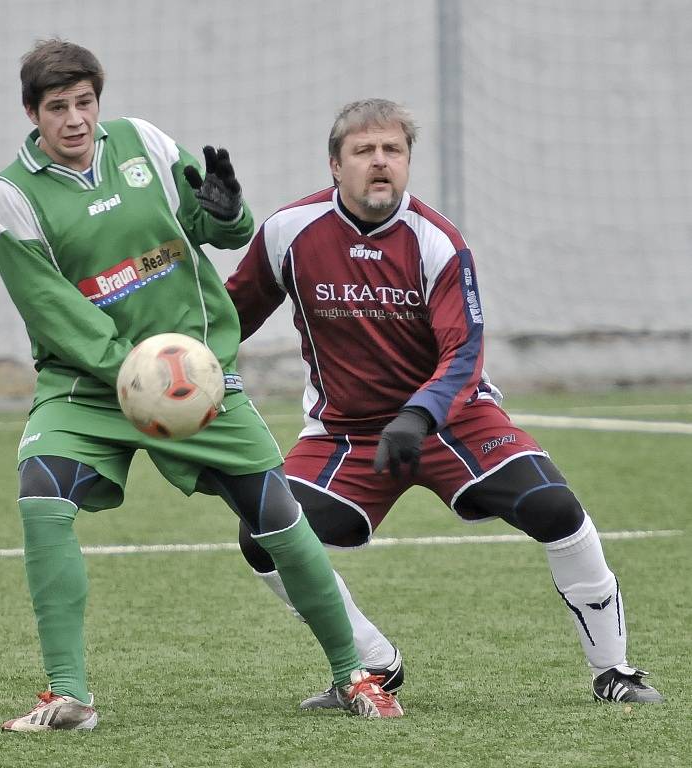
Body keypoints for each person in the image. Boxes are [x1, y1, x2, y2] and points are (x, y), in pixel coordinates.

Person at [0, 42, 403, 731]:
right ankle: (69, 697)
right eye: (57, 108)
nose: (75, 120)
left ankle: (354, 675)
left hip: (193, 374)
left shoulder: (143, 142)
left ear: (99, 101)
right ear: (32, 113)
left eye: (85, 103)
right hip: (87, 386)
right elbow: (51, 308)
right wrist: (129, 368)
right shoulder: (12, 195)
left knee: (276, 516)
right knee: (42, 500)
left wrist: (229, 209)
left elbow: (216, 230)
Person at [225, 98, 664, 709]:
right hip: (346, 435)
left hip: (452, 421)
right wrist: (177, 365)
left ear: (407, 162)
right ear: (335, 164)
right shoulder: (288, 232)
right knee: (263, 535)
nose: (381, 163)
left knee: (556, 508)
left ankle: (615, 672)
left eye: (393, 151)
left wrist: (421, 412)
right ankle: (372, 663)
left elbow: (464, 352)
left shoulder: (437, 242)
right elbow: (228, 319)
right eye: (364, 151)